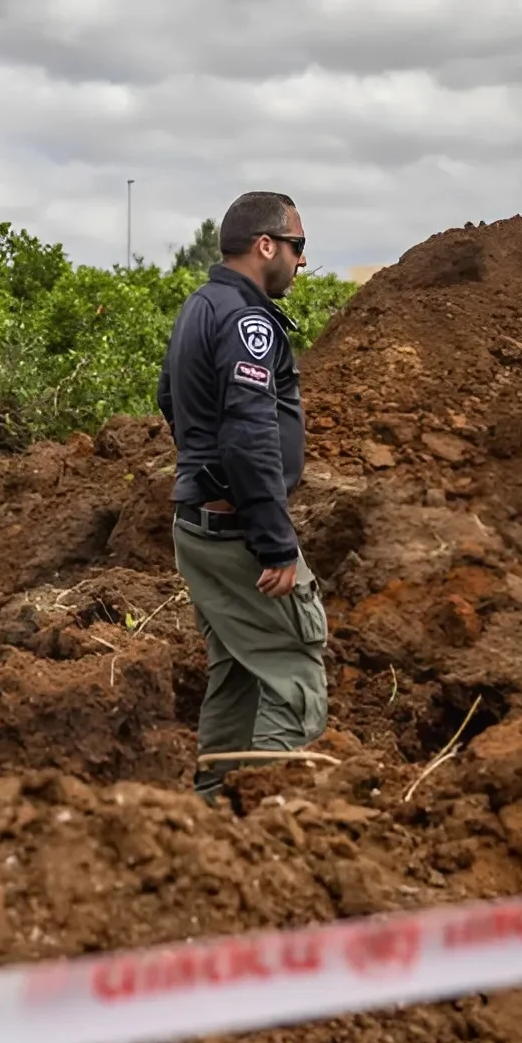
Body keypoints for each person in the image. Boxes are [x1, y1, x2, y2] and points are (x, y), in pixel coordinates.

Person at [156, 191, 329, 803]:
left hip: (199, 525)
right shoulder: (246, 321)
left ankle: (213, 809)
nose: (302, 261)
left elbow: (169, 399)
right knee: (293, 672)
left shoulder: (200, 306)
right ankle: (275, 817)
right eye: (298, 246)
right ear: (266, 245)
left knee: (237, 668)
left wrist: (203, 474)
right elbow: (250, 435)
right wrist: (274, 541)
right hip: (237, 535)